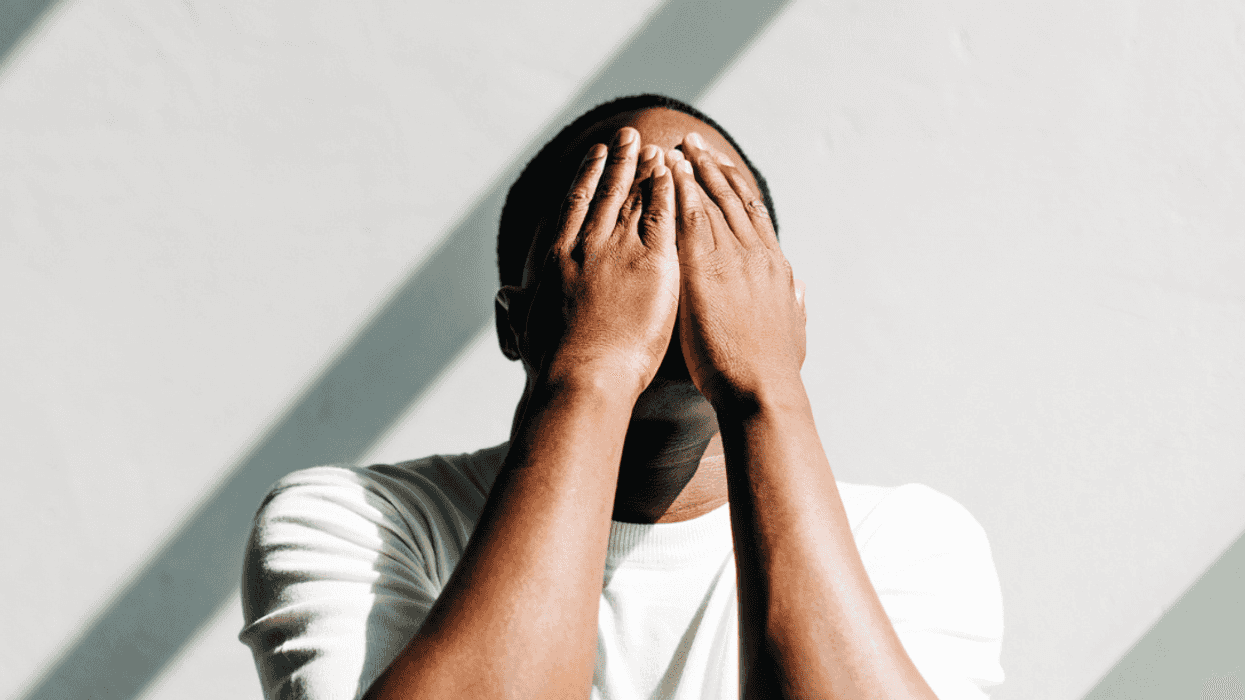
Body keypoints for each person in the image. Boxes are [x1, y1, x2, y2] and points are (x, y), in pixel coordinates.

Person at [239, 94, 1005, 700]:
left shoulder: (910, 540)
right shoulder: (355, 522)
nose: (665, 256)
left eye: (714, 219)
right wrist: (591, 373)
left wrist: (766, 388)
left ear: (783, 301)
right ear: (516, 322)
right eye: (612, 219)